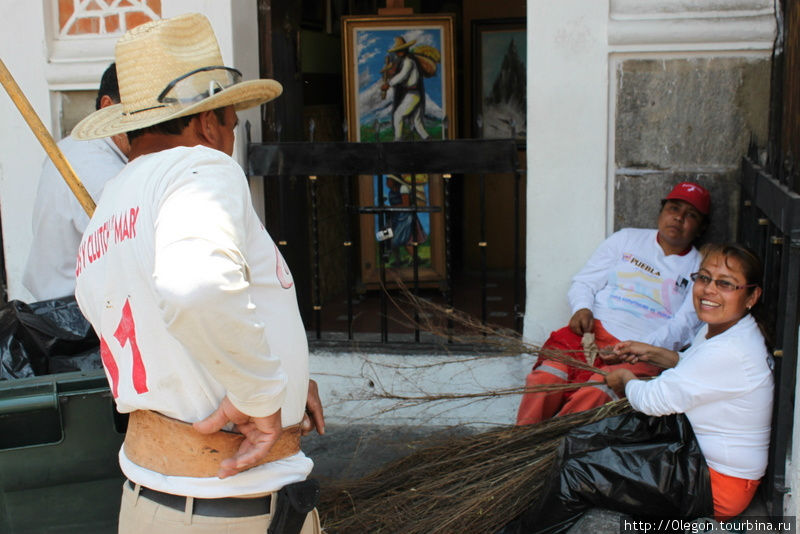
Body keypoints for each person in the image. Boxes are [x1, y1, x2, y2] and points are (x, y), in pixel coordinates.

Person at [71, 13, 323, 533]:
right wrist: (260, 393)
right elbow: (197, 289)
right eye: (231, 122)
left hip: (151, 503)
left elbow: (176, 351)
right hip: (228, 509)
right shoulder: (201, 169)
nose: (230, 136)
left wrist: (287, 379)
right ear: (208, 122)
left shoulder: (107, 212)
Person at [516, 182, 710, 425]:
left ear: (700, 228)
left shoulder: (700, 267)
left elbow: (684, 327)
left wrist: (636, 350)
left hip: (641, 351)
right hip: (590, 335)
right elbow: (585, 282)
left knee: (595, 393)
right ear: (662, 211)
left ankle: (550, 453)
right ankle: (520, 443)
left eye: (690, 215)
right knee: (545, 379)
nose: (678, 218)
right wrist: (582, 308)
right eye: (673, 208)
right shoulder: (627, 239)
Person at [606, 243, 773, 520]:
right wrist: (650, 352)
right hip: (701, 465)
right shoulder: (725, 328)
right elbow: (694, 369)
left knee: (581, 469)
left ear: (752, 296)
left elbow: (651, 401)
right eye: (704, 278)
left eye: (726, 284)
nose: (709, 289)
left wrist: (625, 379)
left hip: (716, 487)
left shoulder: (730, 350)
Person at [23, 63, 130, 301]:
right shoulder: (101, 172)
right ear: (108, 108)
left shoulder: (75, 147)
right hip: (73, 315)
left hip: (62, 303)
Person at [381, 36, 429, 141]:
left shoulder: (408, 62)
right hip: (415, 94)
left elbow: (402, 75)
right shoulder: (407, 61)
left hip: (412, 94)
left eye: (399, 50)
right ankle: (428, 141)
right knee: (417, 122)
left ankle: (398, 141)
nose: (398, 53)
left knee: (398, 115)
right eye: (397, 51)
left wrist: (389, 83)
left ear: (404, 50)